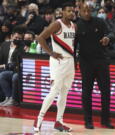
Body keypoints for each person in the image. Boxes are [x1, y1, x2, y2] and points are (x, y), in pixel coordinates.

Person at [33, 2, 75, 132]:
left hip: (70, 61)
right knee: (54, 91)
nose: (71, 13)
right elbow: (40, 38)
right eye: (68, 11)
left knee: (64, 92)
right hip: (58, 61)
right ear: (62, 12)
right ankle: (39, 119)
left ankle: (59, 121)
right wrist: (50, 52)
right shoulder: (57, 24)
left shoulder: (74, 25)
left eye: (72, 11)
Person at [75, 2, 114, 129]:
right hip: (86, 62)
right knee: (87, 92)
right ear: (79, 11)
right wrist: (74, 62)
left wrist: (107, 38)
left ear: (92, 10)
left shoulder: (100, 22)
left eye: (89, 10)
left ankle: (105, 120)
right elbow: (73, 45)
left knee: (106, 92)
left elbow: (111, 33)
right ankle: (88, 120)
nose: (87, 13)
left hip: (101, 61)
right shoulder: (76, 25)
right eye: (84, 10)